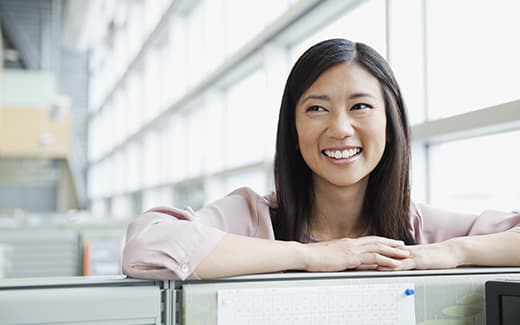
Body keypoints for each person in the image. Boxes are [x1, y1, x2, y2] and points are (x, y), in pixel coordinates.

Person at [122, 38, 520, 280]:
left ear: (390, 124)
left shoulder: (417, 228)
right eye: (316, 109)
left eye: (360, 106)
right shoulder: (253, 217)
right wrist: (313, 256)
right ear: (293, 131)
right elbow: (147, 247)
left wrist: (455, 252)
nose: (340, 128)